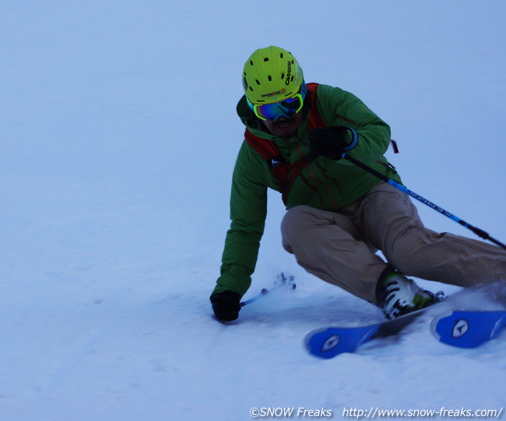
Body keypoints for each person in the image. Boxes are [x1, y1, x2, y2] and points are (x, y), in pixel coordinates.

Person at [210, 46, 506, 322]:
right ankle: (394, 290)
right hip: (331, 224)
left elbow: (378, 132)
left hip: (375, 194)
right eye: (269, 111)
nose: (282, 117)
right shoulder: (255, 154)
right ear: (253, 108)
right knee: (294, 224)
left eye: (290, 103)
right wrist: (230, 287)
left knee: (409, 252)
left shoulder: (329, 101)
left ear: (302, 93)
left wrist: (346, 139)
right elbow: (245, 227)